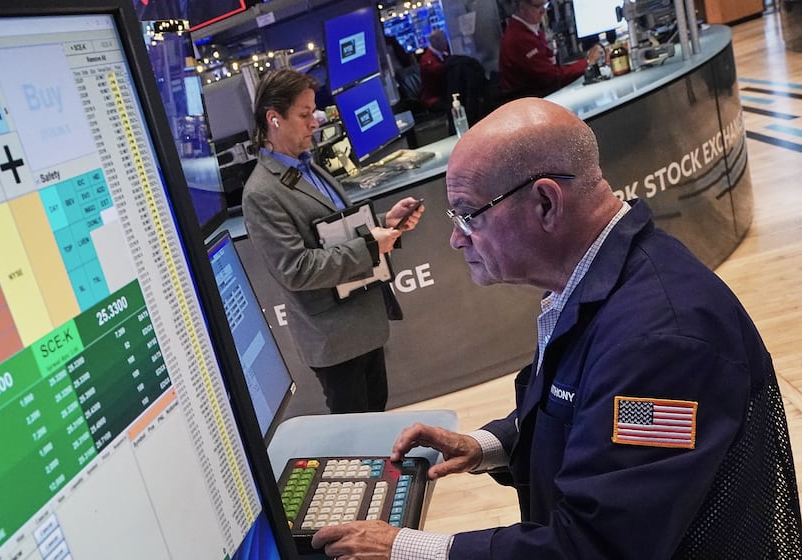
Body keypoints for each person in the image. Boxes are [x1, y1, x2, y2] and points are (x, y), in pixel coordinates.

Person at [312, 97, 802, 558]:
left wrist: (406, 547)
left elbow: (598, 546)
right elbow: (593, 420)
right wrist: (490, 445)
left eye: (467, 215)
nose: (456, 239)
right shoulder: (599, 285)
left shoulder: (657, 342)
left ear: (546, 203)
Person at [241, 68, 424, 414]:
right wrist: (371, 245)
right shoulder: (261, 193)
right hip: (333, 337)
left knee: (377, 419)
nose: (315, 123)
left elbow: (338, 228)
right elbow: (295, 269)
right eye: (305, 114)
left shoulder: (309, 166)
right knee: (359, 440)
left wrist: (387, 222)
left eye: (315, 113)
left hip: (362, 322)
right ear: (273, 119)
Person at [498, 0, 598, 98]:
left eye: (544, 5)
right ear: (520, 6)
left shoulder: (530, 29)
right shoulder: (519, 38)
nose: (543, 11)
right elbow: (551, 78)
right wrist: (587, 63)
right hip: (532, 100)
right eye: (538, 7)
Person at [419, 29, 450, 111]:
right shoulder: (427, 60)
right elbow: (441, 70)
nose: (446, 42)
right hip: (433, 99)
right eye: (443, 39)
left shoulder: (443, 54)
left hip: (445, 94)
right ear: (434, 41)